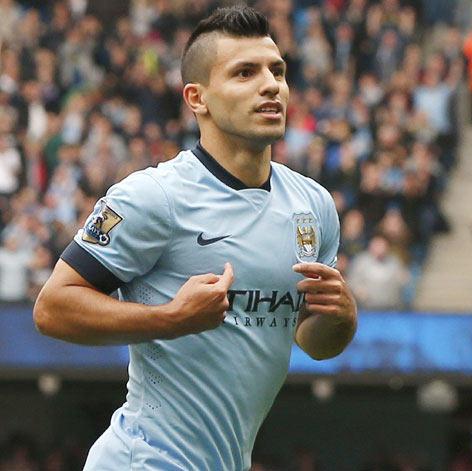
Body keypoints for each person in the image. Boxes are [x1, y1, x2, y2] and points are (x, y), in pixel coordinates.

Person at [33, 6, 357, 471]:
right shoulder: (153, 196)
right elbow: (52, 308)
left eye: (277, 71)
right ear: (197, 98)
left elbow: (313, 341)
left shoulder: (314, 206)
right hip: (143, 460)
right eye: (245, 72)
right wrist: (169, 318)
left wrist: (342, 317)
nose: (271, 85)